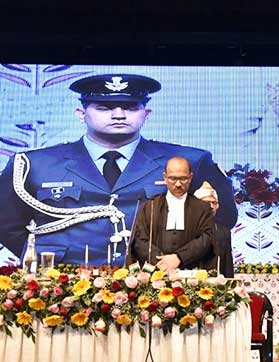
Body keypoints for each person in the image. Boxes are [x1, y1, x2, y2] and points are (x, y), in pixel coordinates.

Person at [0, 73, 237, 266]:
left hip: (158, 285)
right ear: (81, 115)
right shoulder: (35, 164)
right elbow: (6, 224)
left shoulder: (190, 161)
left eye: (131, 107)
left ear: (147, 114)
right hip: (61, 284)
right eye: (104, 107)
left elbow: (221, 219)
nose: (119, 115)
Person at [128, 157, 216, 271]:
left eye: (183, 179)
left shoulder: (202, 208)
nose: (178, 184)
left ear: (190, 177)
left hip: (191, 273)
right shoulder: (150, 206)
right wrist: (162, 262)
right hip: (155, 272)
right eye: (173, 179)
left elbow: (206, 238)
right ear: (165, 177)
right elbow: (140, 240)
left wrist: (179, 257)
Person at [194, 181, 234, 277]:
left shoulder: (224, 231)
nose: (211, 206)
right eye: (207, 202)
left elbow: (227, 265)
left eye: (214, 203)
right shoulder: (186, 227)